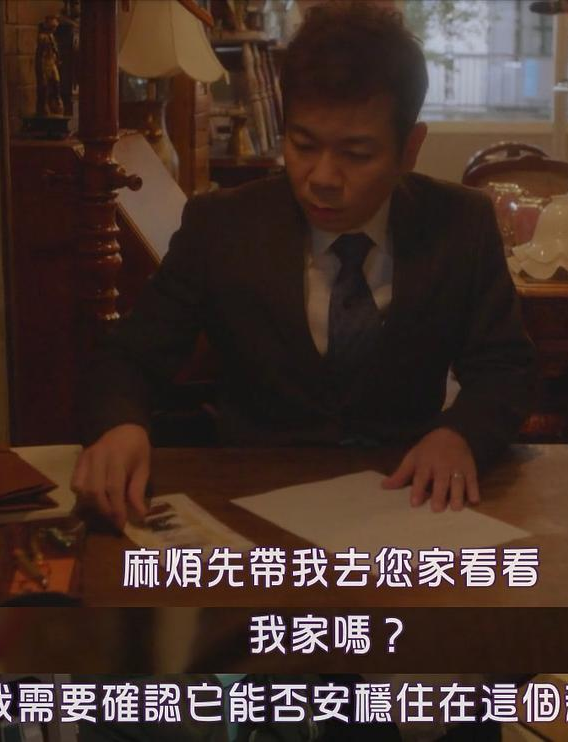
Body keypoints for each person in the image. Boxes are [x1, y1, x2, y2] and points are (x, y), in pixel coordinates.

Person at [73, 2, 536, 529]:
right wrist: (120, 427)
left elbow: (506, 367)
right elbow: (129, 358)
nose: (322, 178)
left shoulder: (460, 224)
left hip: (408, 498)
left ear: (410, 148)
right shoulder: (222, 226)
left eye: (356, 154)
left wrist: (461, 434)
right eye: (303, 145)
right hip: (252, 501)